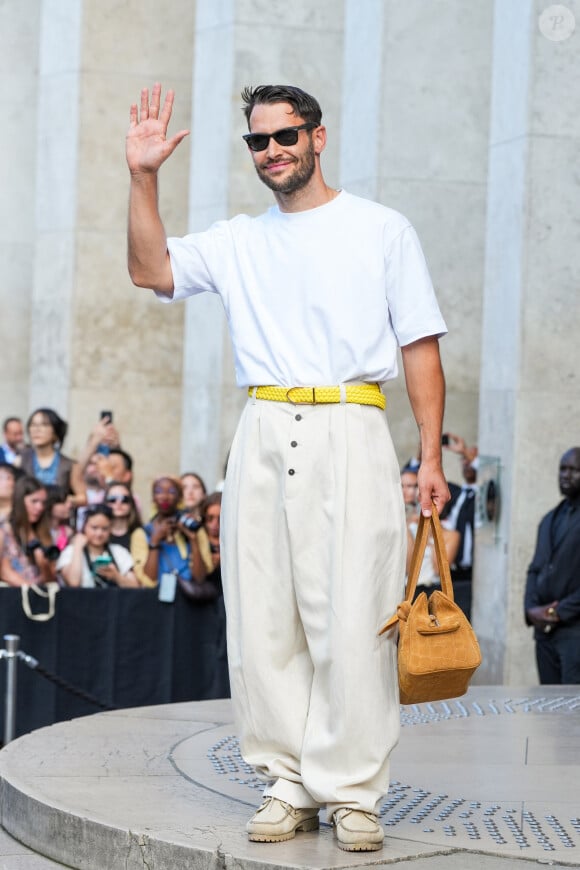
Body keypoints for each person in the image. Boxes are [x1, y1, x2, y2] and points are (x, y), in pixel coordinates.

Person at [126, 82, 449, 852]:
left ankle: (354, 792)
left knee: (355, 615)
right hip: (265, 423)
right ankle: (286, 782)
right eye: (258, 141)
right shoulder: (240, 240)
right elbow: (149, 271)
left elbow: (420, 347)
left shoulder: (381, 229)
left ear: (318, 137)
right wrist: (143, 176)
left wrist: (431, 454)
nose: (272, 150)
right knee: (265, 618)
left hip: (353, 420)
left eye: (285, 135)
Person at [524, 447, 580, 684]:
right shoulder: (549, 518)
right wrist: (530, 609)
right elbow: (534, 569)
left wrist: (557, 612)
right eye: (562, 469)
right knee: (548, 709)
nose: (565, 475)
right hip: (544, 634)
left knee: (572, 711)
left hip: (574, 632)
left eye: (574, 470)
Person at [401, 467, 459, 598]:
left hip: (431, 592)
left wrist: (429, 531)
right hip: (405, 590)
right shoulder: (406, 525)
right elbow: (408, 567)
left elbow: (439, 569)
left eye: (411, 486)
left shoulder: (450, 534)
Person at [57, 503, 139, 588]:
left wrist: (116, 577)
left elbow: (135, 587)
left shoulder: (119, 552)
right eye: (94, 528)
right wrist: (77, 547)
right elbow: (73, 583)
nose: (99, 533)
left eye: (104, 529)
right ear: (84, 526)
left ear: (110, 529)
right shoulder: (70, 552)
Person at [143, 476, 205, 586]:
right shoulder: (143, 533)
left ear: (180, 497)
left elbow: (199, 578)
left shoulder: (191, 528)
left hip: (188, 598)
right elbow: (149, 580)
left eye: (171, 492)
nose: (165, 497)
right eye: (159, 491)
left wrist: (193, 540)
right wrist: (155, 540)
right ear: (153, 498)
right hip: (154, 597)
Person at [19, 408, 85, 506]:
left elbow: (83, 497)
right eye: (33, 425)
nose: (37, 430)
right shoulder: (20, 461)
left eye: (44, 425)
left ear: (55, 433)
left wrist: (69, 500)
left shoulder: (69, 465)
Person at [0, 475, 58, 586]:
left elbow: (50, 580)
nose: (40, 507)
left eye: (43, 502)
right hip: (12, 596)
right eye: (34, 501)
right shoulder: (4, 529)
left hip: (38, 598)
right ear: (20, 501)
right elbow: (4, 572)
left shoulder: (44, 533)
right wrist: (29, 589)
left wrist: (44, 565)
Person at [105, 481, 156, 587]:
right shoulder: (97, 536)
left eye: (124, 499)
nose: (118, 503)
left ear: (131, 504)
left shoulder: (143, 535)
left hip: (137, 596)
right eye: (112, 499)